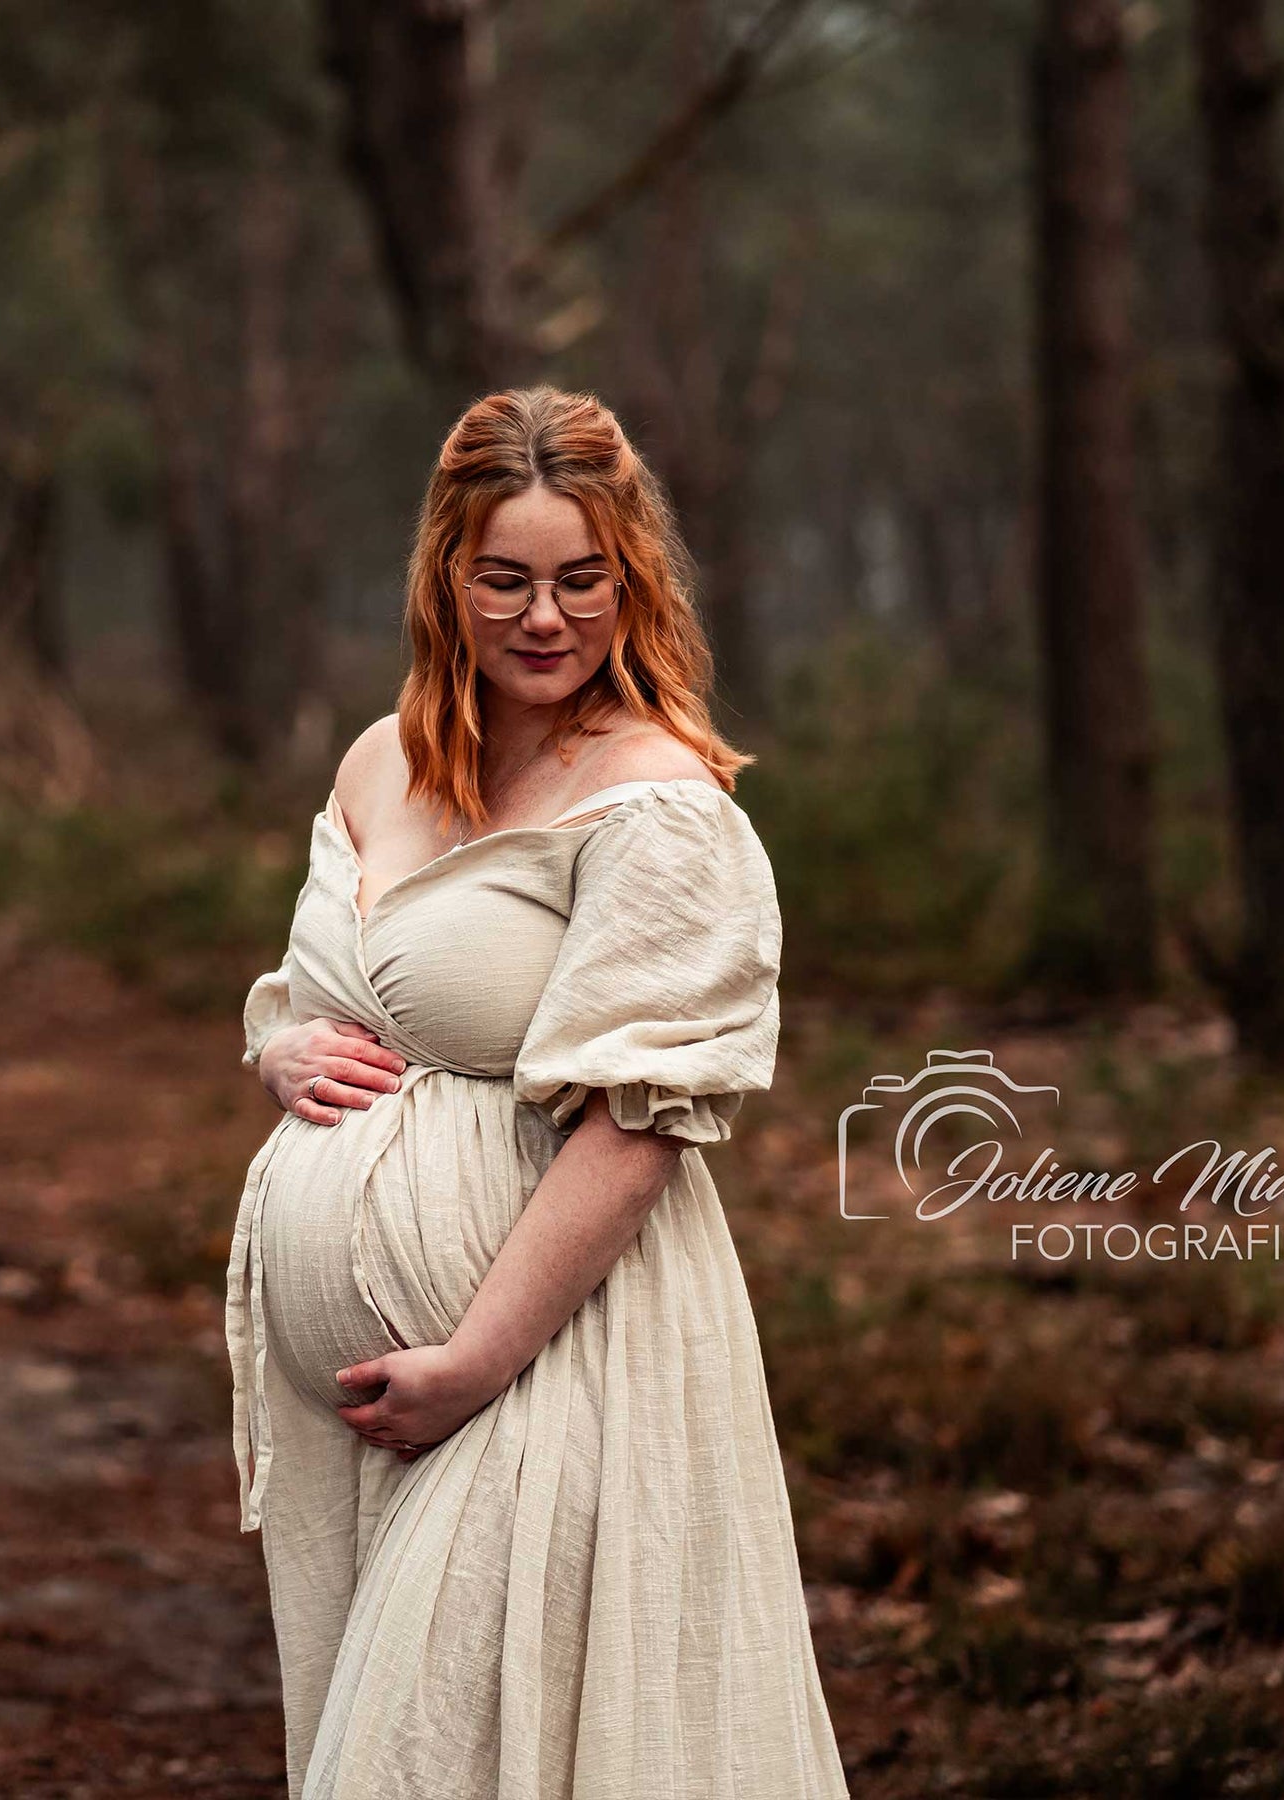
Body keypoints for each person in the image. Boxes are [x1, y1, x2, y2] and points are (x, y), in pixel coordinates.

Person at [225, 385, 850, 1799]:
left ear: (632, 581)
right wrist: (279, 1052)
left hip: (553, 1356)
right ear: (446, 577)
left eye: (584, 579)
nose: (546, 617)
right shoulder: (381, 760)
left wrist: (476, 1361)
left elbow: (637, 1127)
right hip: (369, 1416)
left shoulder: (657, 800)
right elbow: (316, 991)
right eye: (505, 579)